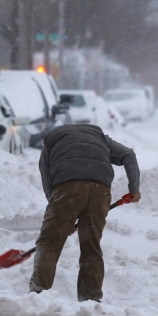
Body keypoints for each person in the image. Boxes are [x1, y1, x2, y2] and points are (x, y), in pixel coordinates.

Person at [30, 124, 141, 302]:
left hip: (68, 187)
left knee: (48, 243)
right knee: (91, 246)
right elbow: (129, 155)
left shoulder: (51, 143)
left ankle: (38, 295)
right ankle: (90, 299)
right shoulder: (101, 139)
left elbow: (47, 180)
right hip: (100, 189)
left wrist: (62, 217)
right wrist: (134, 189)